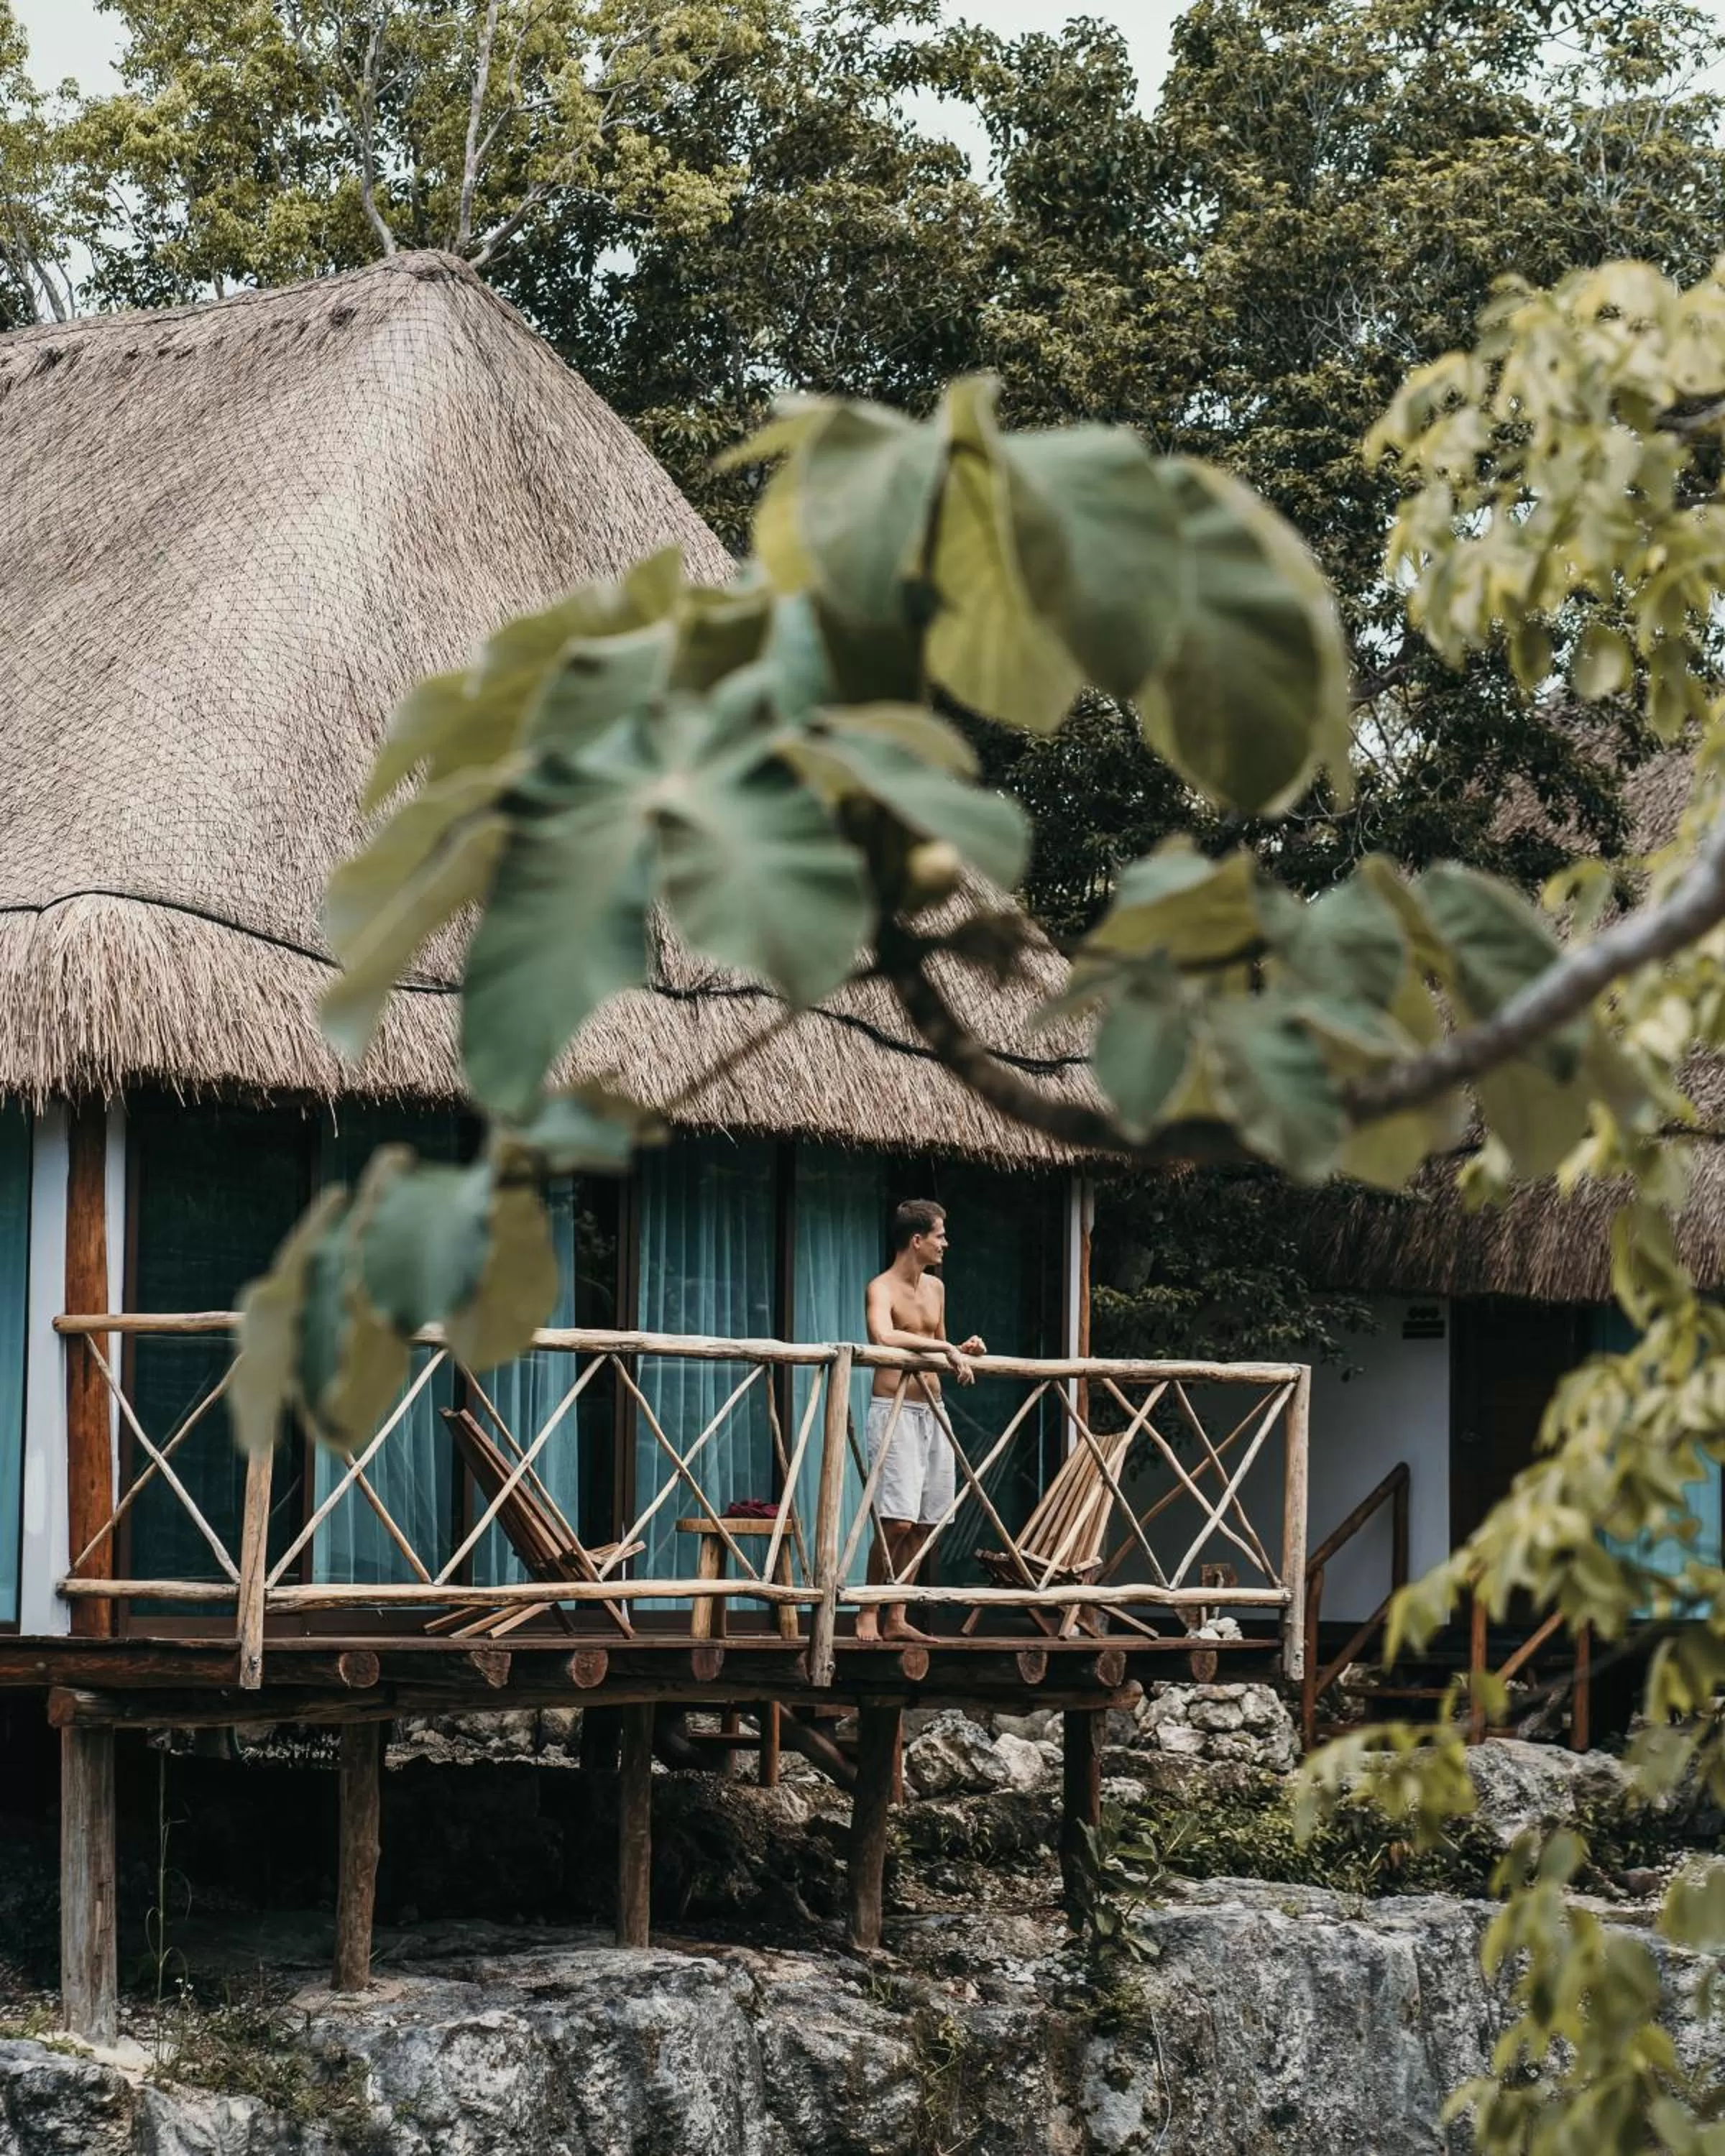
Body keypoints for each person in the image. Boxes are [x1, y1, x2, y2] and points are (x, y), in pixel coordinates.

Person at [856, 1199, 987, 1644]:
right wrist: (944, 1350)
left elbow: (937, 1341)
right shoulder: (882, 1287)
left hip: (934, 1412)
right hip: (894, 1411)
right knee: (896, 1521)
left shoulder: (936, 1289)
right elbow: (884, 1336)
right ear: (917, 1240)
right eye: (940, 1235)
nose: (946, 1243)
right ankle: (867, 1610)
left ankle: (897, 1615)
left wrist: (960, 1350)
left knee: (928, 1522)